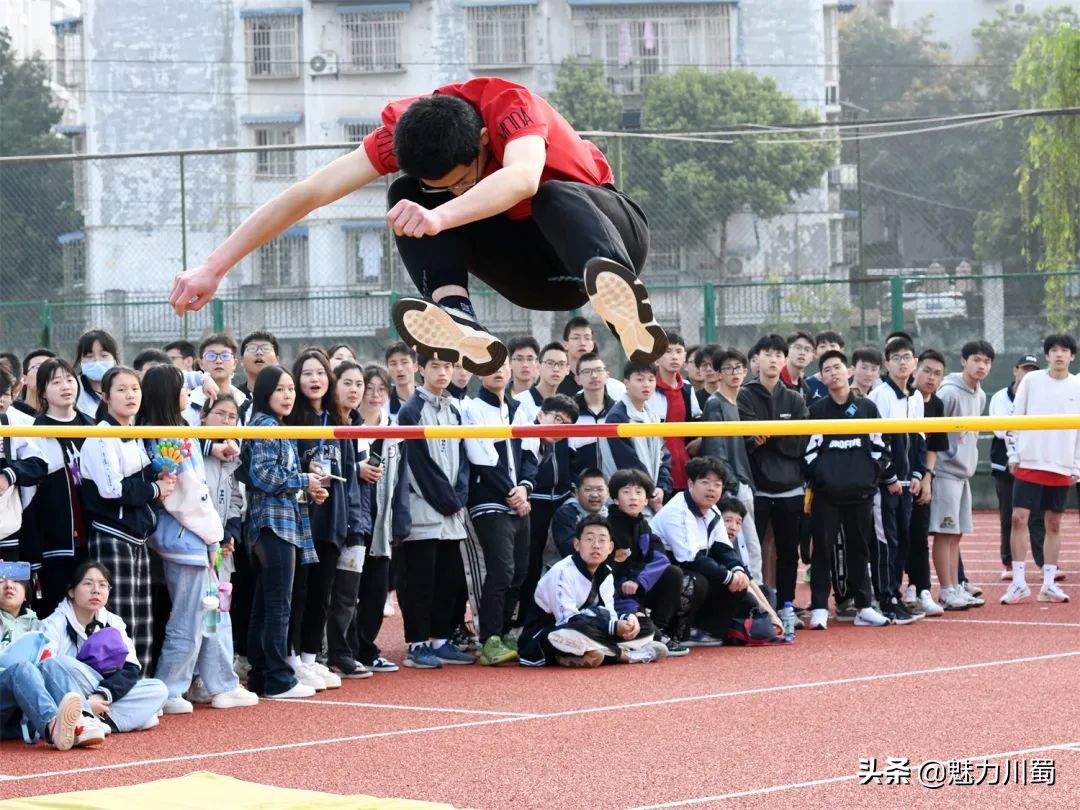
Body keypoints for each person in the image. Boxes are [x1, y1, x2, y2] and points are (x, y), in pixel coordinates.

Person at [169, 78, 667, 374]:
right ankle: (457, 315)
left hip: (603, 237)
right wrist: (214, 266)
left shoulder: (509, 108)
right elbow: (310, 193)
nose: (453, 191)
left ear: (481, 140)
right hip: (533, 277)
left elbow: (520, 179)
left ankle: (622, 303)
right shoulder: (404, 134)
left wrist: (442, 215)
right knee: (405, 193)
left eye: (460, 180)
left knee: (549, 193)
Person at [138, 366, 258, 713]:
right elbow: (185, 496)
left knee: (213, 614)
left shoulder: (177, 427)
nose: (188, 395)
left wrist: (201, 378)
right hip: (187, 538)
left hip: (199, 539)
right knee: (188, 618)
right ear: (168, 394)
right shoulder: (165, 436)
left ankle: (222, 683)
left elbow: (181, 378)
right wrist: (213, 534)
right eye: (182, 389)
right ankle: (171, 688)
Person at [78, 366, 175, 670]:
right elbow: (112, 489)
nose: (130, 395)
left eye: (135, 388)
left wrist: (158, 480)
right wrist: (154, 488)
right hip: (112, 535)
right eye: (121, 389)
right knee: (117, 618)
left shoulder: (133, 435)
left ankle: (142, 685)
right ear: (105, 397)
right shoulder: (101, 435)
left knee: (141, 619)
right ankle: (117, 689)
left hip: (138, 537)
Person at [242, 366, 327, 700]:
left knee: (266, 604)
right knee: (278, 605)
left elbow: (272, 477)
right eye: (280, 390)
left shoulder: (273, 426)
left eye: (291, 389)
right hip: (273, 524)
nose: (288, 395)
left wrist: (308, 485)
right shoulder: (266, 427)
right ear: (265, 393)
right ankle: (278, 678)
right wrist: (305, 480)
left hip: (275, 522)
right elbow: (263, 475)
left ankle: (263, 676)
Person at [284, 350, 363, 689]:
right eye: (307, 373)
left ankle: (310, 659)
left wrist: (349, 519)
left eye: (320, 373)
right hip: (301, 519)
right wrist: (307, 476)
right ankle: (290, 660)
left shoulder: (335, 420)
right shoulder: (289, 420)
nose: (314, 379)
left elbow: (348, 472)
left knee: (322, 593)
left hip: (332, 518)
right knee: (298, 592)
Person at [397, 355, 476, 669]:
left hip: (452, 512)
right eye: (435, 367)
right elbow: (417, 464)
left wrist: (460, 495)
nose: (443, 373)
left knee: (450, 578)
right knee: (420, 580)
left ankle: (441, 640)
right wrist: (448, 500)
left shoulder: (454, 409)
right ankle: (418, 644)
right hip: (424, 510)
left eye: (448, 367)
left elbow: (463, 458)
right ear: (421, 369)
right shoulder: (411, 410)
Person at [803, 350, 891, 630]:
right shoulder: (816, 411)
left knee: (860, 550)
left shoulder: (866, 409)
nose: (833, 373)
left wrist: (868, 476)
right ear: (822, 377)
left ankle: (863, 606)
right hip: (827, 496)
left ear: (848, 370)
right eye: (826, 369)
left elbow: (881, 447)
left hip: (861, 494)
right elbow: (808, 453)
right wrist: (824, 479)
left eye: (837, 367)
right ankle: (819, 607)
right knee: (822, 552)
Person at [518, 515, 667, 667]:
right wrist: (613, 627)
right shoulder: (562, 572)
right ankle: (626, 655)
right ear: (577, 544)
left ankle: (589, 654)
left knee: (646, 626)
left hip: (590, 630)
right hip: (550, 635)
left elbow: (608, 612)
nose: (596, 545)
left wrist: (628, 619)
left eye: (602, 540)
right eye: (589, 539)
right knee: (574, 631)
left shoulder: (606, 572)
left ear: (610, 548)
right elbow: (567, 620)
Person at [461, 361, 536, 666]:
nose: (497, 371)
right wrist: (512, 493)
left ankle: (505, 632)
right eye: (489, 366)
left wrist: (526, 488)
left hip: (521, 502)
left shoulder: (522, 409)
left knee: (519, 572)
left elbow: (532, 454)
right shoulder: (473, 409)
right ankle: (488, 638)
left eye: (502, 365)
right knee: (501, 571)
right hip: (490, 503)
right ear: (479, 373)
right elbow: (482, 458)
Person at [39, 562, 168, 733]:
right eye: (87, 583)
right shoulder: (53, 624)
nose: (96, 590)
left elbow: (131, 668)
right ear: (71, 591)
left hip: (104, 690)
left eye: (102, 585)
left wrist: (102, 695)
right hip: (67, 692)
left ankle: (97, 719)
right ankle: (99, 714)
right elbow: (45, 669)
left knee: (158, 689)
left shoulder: (114, 622)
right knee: (61, 664)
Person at [1001, 334, 1080, 605]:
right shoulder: (1032, 381)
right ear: (1047, 355)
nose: (1059, 354)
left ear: (1072, 356)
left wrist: (1077, 465)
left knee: (1054, 523)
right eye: (1054, 350)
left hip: (1061, 462)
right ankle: (1019, 582)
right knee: (1019, 518)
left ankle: (1048, 584)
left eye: (1065, 350)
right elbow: (1015, 417)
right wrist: (1013, 453)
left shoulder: (1078, 385)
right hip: (1030, 460)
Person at [737, 335, 809, 616]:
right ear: (756, 360)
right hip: (757, 487)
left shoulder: (794, 398)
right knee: (753, 552)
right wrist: (773, 434)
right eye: (768, 354)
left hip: (790, 487)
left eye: (779, 355)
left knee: (789, 551)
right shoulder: (745, 395)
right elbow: (748, 440)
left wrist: (771, 435)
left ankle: (787, 604)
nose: (774, 359)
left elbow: (799, 444)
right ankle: (757, 605)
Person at [650, 456, 755, 642]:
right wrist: (729, 577)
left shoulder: (713, 510)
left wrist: (738, 571)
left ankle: (707, 631)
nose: (711, 489)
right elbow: (690, 558)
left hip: (691, 564)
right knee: (697, 581)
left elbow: (723, 548)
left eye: (717, 484)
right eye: (705, 482)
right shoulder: (678, 511)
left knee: (738, 582)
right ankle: (672, 631)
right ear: (690, 483)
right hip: (661, 573)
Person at [0, 570, 106, 749]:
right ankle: (54, 725)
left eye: (17, 581)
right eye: (1, 580)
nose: (9, 585)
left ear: (26, 594)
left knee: (52, 663)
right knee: (23, 668)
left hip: (26, 714)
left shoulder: (40, 626)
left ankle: (83, 721)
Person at [24, 359, 95, 615]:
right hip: (55, 541)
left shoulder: (93, 425)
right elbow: (30, 499)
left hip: (93, 536)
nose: (66, 386)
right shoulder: (37, 431)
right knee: (55, 610)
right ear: (42, 391)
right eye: (56, 382)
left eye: (69, 379)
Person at [351, 365, 409, 673]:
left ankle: (367, 648)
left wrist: (401, 521)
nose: (374, 395)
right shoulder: (348, 427)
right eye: (368, 388)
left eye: (380, 389)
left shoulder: (395, 433)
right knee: (348, 592)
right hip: (354, 523)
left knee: (376, 591)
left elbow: (401, 482)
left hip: (383, 524)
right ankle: (344, 649)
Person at [867, 336, 924, 624]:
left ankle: (895, 594)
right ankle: (884, 597)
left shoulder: (916, 398)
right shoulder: (880, 396)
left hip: (905, 486)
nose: (903, 363)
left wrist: (916, 474)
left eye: (907, 358)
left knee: (903, 540)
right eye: (896, 358)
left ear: (915, 363)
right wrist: (888, 476)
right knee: (884, 541)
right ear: (886, 364)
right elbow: (876, 443)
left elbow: (919, 439)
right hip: (883, 486)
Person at [932, 340, 993, 610]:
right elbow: (934, 433)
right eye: (976, 360)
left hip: (963, 472)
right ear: (963, 360)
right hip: (945, 472)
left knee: (956, 534)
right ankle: (945, 589)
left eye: (987, 362)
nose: (981, 366)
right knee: (944, 533)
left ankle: (955, 586)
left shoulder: (979, 394)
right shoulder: (949, 393)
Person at [604, 469, 689, 655]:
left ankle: (659, 629)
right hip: (615, 594)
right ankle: (651, 634)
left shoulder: (643, 525)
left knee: (673, 573)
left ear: (646, 500)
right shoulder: (607, 527)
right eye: (626, 492)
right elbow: (606, 571)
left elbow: (659, 558)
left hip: (637, 588)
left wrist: (637, 579)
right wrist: (627, 582)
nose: (633, 498)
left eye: (639, 492)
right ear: (616, 499)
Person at [699, 347, 762, 583]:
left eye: (738, 367)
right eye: (727, 368)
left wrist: (751, 443)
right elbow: (716, 451)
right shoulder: (716, 404)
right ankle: (754, 605)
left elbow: (731, 446)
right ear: (717, 373)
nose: (733, 372)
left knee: (749, 549)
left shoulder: (734, 403)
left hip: (740, 482)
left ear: (745, 371)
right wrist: (733, 486)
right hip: (733, 487)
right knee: (745, 551)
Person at [989, 354, 1046, 581]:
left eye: (1033, 370)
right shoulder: (1001, 397)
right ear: (1015, 370)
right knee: (1008, 516)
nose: (1028, 374)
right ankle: (1009, 562)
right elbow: (1001, 430)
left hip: (1034, 462)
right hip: (1005, 463)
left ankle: (1044, 563)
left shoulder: (1041, 398)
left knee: (1038, 515)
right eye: (1025, 369)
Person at [904, 350, 949, 617]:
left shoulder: (937, 405)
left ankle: (921, 589)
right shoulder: (902, 398)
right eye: (927, 370)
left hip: (921, 478)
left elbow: (933, 446)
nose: (931, 378)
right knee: (896, 538)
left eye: (937, 374)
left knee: (919, 535)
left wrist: (927, 478)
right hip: (896, 478)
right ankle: (895, 590)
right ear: (915, 369)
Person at [600, 361, 672, 511]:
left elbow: (663, 455)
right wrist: (650, 490)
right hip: (626, 497)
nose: (646, 385)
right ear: (626, 383)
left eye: (651, 379)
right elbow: (628, 461)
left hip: (648, 494)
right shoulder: (617, 416)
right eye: (639, 379)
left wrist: (661, 487)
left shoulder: (652, 416)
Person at [650, 332, 701, 495]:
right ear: (657, 357)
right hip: (658, 468)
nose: (674, 357)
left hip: (685, 467)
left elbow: (697, 424)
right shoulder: (648, 389)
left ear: (685, 356)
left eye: (679, 351)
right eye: (668, 351)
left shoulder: (687, 388)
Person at [184, 334, 249, 426]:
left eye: (225, 356)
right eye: (211, 356)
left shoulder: (247, 406)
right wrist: (203, 378)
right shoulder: (186, 405)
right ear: (201, 363)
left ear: (234, 363)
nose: (218, 361)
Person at [567, 352, 616, 474]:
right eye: (587, 372)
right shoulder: (569, 412)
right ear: (577, 379)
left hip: (615, 485)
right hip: (580, 487)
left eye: (598, 370)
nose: (594, 376)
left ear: (607, 375)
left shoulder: (618, 411)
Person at [546, 468, 608, 564]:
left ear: (608, 493)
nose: (594, 495)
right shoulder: (566, 513)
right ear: (577, 493)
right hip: (564, 570)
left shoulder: (609, 515)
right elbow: (569, 549)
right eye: (588, 490)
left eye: (600, 489)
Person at [514, 341, 570, 425]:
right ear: (538, 366)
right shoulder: (519, 402)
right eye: (550, 363)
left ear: (567, 369)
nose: (556, 369)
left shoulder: (567, 406)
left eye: (561, 364)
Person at [74, 330, 120, 420]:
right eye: (89, 356)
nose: (97, 361)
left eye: (104, 355)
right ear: (80, 361)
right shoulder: (74, 389)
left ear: (115, 359)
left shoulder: (125, 386)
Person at [14, 348, 56, 416]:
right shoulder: (10, 413)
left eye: (51, 369)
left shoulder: (63, 416)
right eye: (38, 367)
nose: (45, 372)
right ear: (24, 379)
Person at [238, 331, 280, 396]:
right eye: (252, 348)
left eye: (266, 348)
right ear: (242, 360)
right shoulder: (235, 397)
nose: (259, 352)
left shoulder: (286, 397)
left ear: (277, 360)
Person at [385, 342, 419, 422]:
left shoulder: (427, 400)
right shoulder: (381, 402)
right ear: (387, 368)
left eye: (404, 362)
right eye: (393, 364)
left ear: (415, 366)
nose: (399, 368)